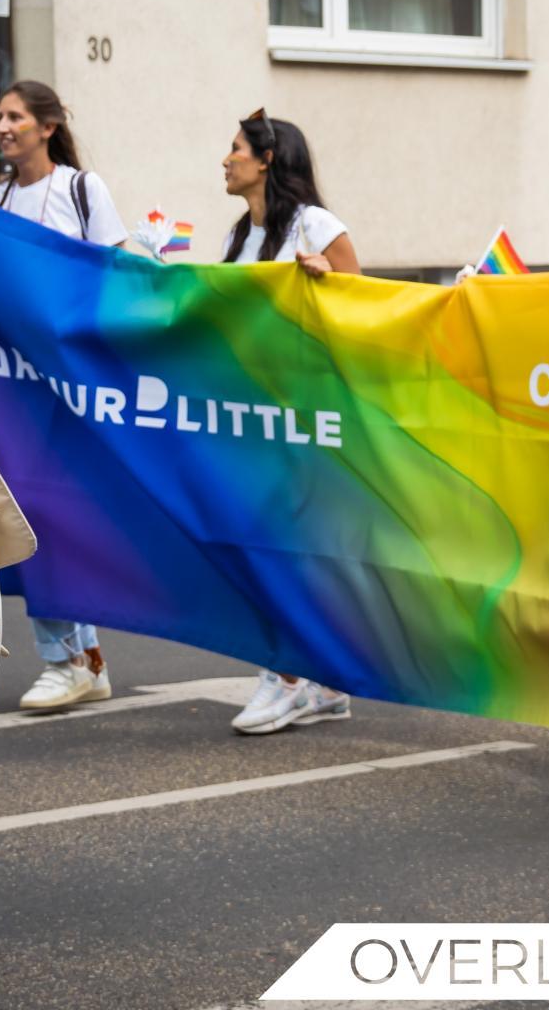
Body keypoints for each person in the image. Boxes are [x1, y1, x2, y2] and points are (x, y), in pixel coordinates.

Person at [0, 79, 127, 713]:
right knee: (24, 511)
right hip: (14, 389)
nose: (3, 126)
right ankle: (75, 658)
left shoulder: (81, 191)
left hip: (71, 386)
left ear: (48, 125)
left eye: (15, 116)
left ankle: (77, 659)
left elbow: (115, 273)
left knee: (60, 514)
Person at [218, 108, 361, 736]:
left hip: (305, 415)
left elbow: (364, 311)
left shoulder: (316, 225)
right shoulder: (238, 234)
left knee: (280, 547)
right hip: (250, 410)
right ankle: (323, 683)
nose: (226, 160)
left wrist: (329, 282)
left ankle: (286, 678)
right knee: (269, 545)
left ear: (267, 159)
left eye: (236, 149)